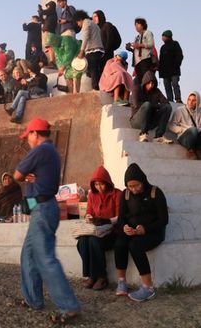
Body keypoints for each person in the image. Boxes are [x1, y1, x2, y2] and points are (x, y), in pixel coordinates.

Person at [13, 118, 80, 324]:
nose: (27, 141)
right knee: (29, 255)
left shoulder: (40, 150)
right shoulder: (50, 152)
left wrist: (24, 177)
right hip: (42, 207)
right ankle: (33, 299)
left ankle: (69, 307)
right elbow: (34, 185)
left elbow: (16, 174)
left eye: (28, 136)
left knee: (45, 258)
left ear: (35, 133)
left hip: (43, 208)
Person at [115, 163, 168, 302]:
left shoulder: (155, 192)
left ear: (143, 181)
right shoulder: (125, 194)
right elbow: (121, 218)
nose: (134, 189)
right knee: (120, 242)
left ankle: (148, 288)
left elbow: (164, 220)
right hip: (133, 231)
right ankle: (122, 282)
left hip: (154, 232)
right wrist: (125, 227)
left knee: (135, 245)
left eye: (136, 185)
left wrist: (146, 229)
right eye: (130, 186)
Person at [77, 166, 121, 290]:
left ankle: (102, 277)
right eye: (96, 184)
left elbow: (120, 216)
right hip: (96, 230)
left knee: (93, 241)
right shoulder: (92, 195)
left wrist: (107, 220)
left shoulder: (117, 194)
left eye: (102, 184)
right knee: (81, 242)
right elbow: (88, 212)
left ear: (107, 182)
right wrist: (89, 217)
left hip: (112, 231)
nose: (99, 187)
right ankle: (91, 275)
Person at [130, 71, 173, 143]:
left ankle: (158, 136)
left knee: (167, 108)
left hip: (150, 121)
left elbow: (166, 103)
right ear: (145, 82)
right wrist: (154, 106)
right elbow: (136, 105)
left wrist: (153, 106)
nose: (151, 85)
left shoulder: (156, 91)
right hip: (137, 121)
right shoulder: (136, 88)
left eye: (152, 83)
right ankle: (143, 134)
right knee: (147, 105)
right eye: (149, 83)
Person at [74, 10, 105, 90]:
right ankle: (97, 86)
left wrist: (82, 50)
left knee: (93, 69)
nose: (78, 25)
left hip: (93, 50)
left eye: (77, 22)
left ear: (80, 19)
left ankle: (95, 88)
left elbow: (85, 37)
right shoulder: (93, 24)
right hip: (98, 50)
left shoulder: (86, 23)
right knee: (94, 70)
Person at [168, 91, 201, 159]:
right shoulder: (180, 110)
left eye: (193, 100)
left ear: (197, 102)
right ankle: (191, 151)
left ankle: (198, 151)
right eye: (189, 99)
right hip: (184, 137)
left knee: (196, 131)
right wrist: (183, 129)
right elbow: (171, 125)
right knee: (193, 130)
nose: (190, 102)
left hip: (196, 135)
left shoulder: (199, 112)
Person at [126, 18, 154, 83]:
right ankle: (142, 93)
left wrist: (140, 45)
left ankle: (147, 93)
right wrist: (130, 47)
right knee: (140, 81)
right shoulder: (137, 37)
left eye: (138, 24)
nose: (136, 27)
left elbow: (151, 44)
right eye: (135, 25)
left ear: (143, 25)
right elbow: (136, 49)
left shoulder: (148, 33)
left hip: (145, 59)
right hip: (137, 62)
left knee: (146, 79)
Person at [158, 30, 183, 103]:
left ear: (168, 36)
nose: (162, 38)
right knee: (167, 86)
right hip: (165, 72)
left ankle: (178, 99)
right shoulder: (163, 47)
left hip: (174, 71)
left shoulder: (175, 44)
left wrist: (176, 65)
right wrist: (159, 68)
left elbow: (180, 56)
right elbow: (161, 59)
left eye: (164, 36)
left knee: (175, 84)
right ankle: (170, 100)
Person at [38, 1, 57, 65]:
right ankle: (51, 61)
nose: (47, 7)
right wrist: (40, 14)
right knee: (48, 47)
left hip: (49, 31)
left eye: (48, 6)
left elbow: (43, 12)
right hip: (47, 31)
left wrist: (40, 9)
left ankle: (52, 61)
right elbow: (42, 21)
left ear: (51, 6)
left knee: (50, 47)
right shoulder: (49, 16)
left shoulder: (52, 11)